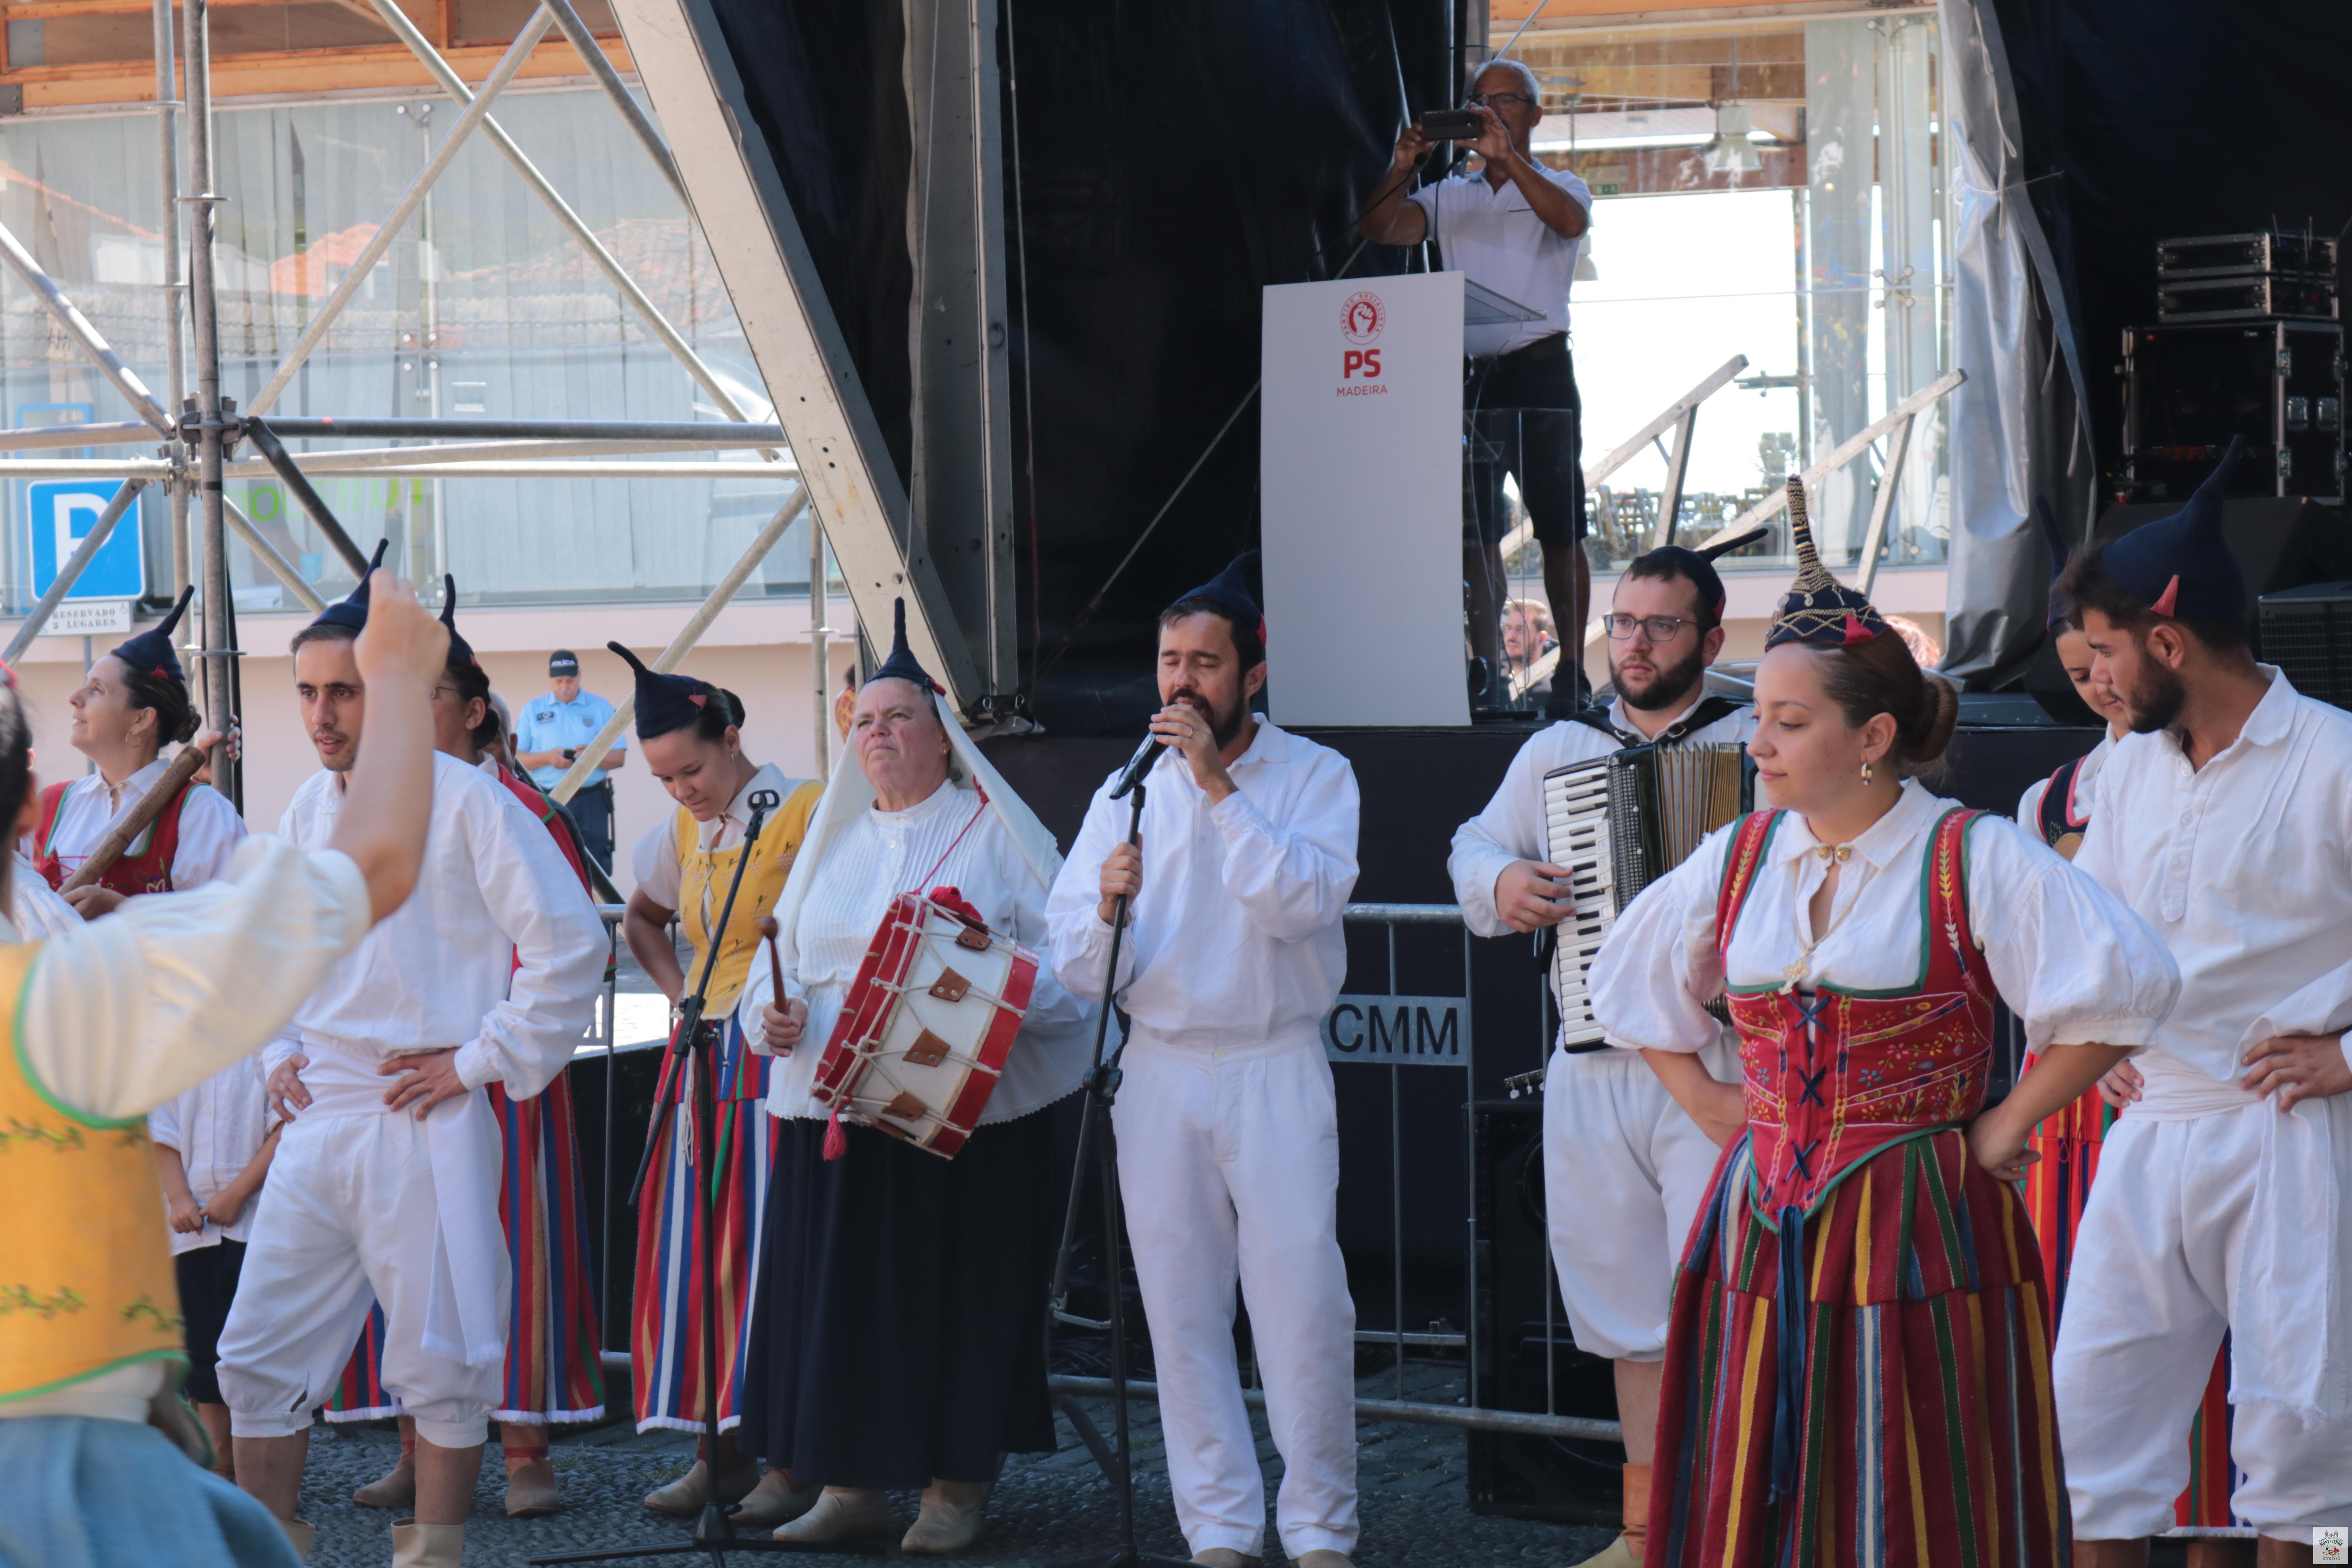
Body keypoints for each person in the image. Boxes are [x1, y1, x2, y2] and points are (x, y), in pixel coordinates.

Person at [1587, 494, 2180, 1568]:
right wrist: (1709, 1100)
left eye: (1790, 721)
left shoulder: (1970, 855)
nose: (1759, 742)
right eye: (1761, 716)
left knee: (1911, 1480)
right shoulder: (1742, 855)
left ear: (1872, 738)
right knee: (1758, 1466)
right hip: (1760, 1217)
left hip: (1918, 1223)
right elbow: (1625, 984)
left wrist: (2006, 1124)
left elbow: (2128, 987)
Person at [0, 567, 445, 1568]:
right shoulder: (70, 990)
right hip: (71, 1481)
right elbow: (376, 864)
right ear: (32, 807)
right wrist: (396, 678)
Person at [215, 549, 608, 1568]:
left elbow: (572, 944)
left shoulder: (472, 800)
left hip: (420, 1114)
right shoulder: (308, 809)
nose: (323, 714)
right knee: (257, 1353)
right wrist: (276, 1049)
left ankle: (433, 1556)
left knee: (443, 1362)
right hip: (320, 1120)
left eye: (344, 690)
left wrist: (478, 1060)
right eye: (308, 691)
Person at [735, 601, 1094, 1553]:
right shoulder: (837, 842)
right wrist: (771, 1019)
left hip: (960, 1124)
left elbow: (1073, 971)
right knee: (844, 1303)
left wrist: (978, 984)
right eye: (864, 720)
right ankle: (849, 1484)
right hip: (834, 1114)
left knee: (958, 1298)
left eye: (899, 717)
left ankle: (953, 1487)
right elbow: (779, 971)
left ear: (943, 738)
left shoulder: (995, 836)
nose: (879, 733)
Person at [2049, 437, 2352, 1565]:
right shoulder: (2129, 765)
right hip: (2152, 1127)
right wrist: (2095, 1027)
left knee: (2310, 1454)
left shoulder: (2336, 758)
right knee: (2091, 1428)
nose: (2098, 678)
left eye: (2106, 650)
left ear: (2168, 641)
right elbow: (2090, 925)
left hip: (2294, 1133)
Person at [1446, 532, 1760, 1568]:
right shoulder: (1559, 749)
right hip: (1590, 1056)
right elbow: (1473, 844)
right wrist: (1503, 883)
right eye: (1623, 623)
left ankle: (1739, 1525)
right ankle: (1647, 1532)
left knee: (1730, 1300)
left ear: (1710, 638)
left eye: (1661, 625)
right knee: (1626, 1311)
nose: (1634, 643)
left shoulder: (1758, 739)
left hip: (1719, 1062)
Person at [1047, 556, 1364, 1568]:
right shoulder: (1123, 790)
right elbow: (1077, 963)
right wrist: (1107, 905)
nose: (1182, 681)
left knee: (1302, 1305)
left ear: (1252, 676)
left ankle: (1319, 1530)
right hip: (1160, 1068)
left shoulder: (1315, 775)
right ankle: (1220, 1528)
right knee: (1181, 1313)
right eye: (1169, 660)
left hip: (1274, 1064)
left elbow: (1300, 904)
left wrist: (1218, 789)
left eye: (1205, 663)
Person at [328, 582, 610, 1521]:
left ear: (474, 710)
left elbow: (558, 946)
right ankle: (419, 1443)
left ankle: (527, 1447)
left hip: (496, 1075)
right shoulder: (365, 808)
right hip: (397, 1077)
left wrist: (485, 1048)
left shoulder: (519, 807)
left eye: (425, 698)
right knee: (400, 1255)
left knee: (512, 1250)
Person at [614, 642, 824, 1521]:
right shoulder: (682, 833)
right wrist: (680, 997)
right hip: (703, 1055)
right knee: (704, 1256)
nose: (682, 791)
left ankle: (792, 1459)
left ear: (731, 738)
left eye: (691, 771)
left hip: (781, 1053)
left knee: (773, 1252)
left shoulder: (805, 811)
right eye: (665, 779)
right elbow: (642, 918)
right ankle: (720, 1450)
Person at [1359, 58, 1595, 713]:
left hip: (1541, 371)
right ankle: (1486, 667)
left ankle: (1573, 670)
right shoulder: (1451, 195)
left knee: (1560, 526)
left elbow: (1569, 223)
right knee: (1476, 531)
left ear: (1535, 114)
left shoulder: (1562, 184)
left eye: (1505, 101)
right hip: (1471, 377)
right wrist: (1403, 166)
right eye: (1478, 101)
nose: (1488, 111)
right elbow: (1380, 229)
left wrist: (1507, 160)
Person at [27, 586, 244, 912]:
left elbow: (232, 926)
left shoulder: (202, 814)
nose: (75, 698)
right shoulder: (49, 804)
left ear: (142, 719)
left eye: (97, 690)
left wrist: (123, 910)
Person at [515, 649, 626, 871]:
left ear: (580, 675)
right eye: (559, 681)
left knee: (594, 867)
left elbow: (619, 757)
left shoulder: (601, 708)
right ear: (549, 678)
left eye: (570, 680)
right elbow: (515, 759)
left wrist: (592, 756)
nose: (565, 687)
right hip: (547, 797)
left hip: (590, 800)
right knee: (547, 865)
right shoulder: (533, 710)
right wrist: (548, 758)